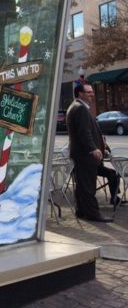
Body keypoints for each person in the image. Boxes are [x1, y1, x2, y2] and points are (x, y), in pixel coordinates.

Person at [66, 83, 119, 222]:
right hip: (85, 156)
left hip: (81, 155)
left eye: (92, 91)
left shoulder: (77, 107)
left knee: (82, 186)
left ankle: (81, 211)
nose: (92, 94)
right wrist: (93, 148)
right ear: (80, 94)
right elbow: (84, 132)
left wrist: (101, 145)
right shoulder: (80, 109)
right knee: (88, 187)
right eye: (88, 92)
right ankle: (93, 214)